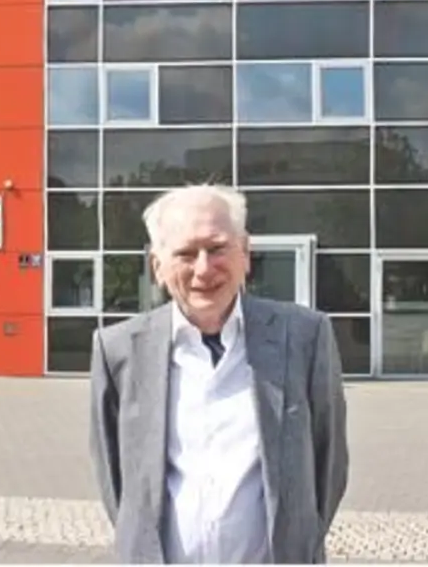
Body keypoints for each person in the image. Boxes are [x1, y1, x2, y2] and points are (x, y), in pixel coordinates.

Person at [88, 183, 350, 564]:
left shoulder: (305, 337)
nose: (203, 269)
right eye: (185, 253)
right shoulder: (118, 351)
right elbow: (119, 486)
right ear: (157, 267)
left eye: (217, 248)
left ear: (245, 253)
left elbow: (329, 466)